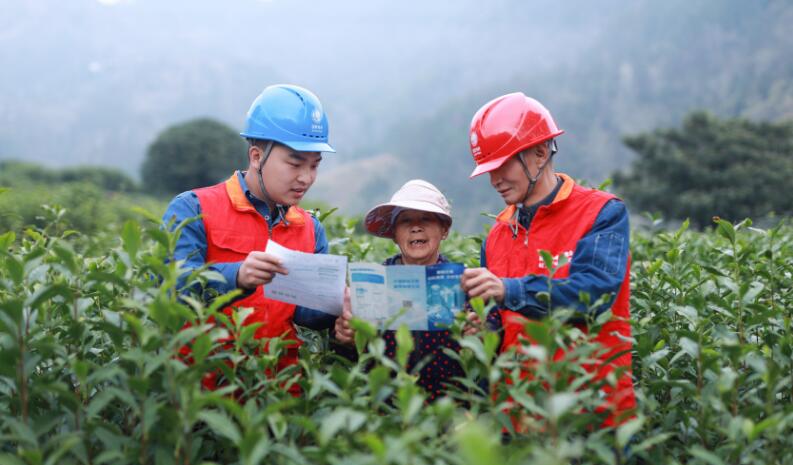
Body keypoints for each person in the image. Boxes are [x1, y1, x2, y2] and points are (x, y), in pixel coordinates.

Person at [460, 93, 635, 426]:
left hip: (590, 415)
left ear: (540, 153)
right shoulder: (497, 235)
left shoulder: (601, 213)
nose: (494, 180)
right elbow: (501, 323)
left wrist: (508, 290)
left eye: (502, 166)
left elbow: (594, 295)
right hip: (516, 418)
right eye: (489, 170)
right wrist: (484, 328)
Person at [162, 84, 337, 390]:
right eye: (295, 163)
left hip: (279, 393)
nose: (306, 178)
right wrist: (237, 276)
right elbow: (168, 289)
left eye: (314, 165)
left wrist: (339, 306)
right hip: (204, 393)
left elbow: (306, 314)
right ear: (257, 156)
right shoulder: (193, 208)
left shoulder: (310, 228)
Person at [334, 180, 482, 402]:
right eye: (405, 221)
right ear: (394, 234)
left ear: (444, 230)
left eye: (426, 219)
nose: (416, 227)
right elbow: (353, 354)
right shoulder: (374, 283)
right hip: (387, 406)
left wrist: (478, 334)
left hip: (449, 405)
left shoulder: (464, 284)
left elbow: (487, 349)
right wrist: (347, 338)